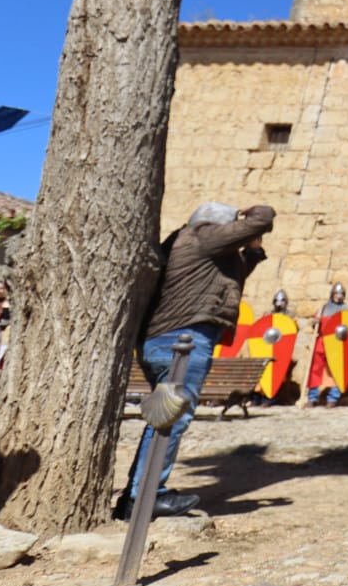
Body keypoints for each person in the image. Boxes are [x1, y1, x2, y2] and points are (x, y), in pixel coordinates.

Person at [115, 201, 274, 519]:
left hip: (170, 339)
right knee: (173, 417)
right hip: (181, 339)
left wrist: (252, 252)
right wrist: (251, 212)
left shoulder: (196, 248)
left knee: (166, 415)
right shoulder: (202, 236)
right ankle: (143, 497)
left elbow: (229, 280)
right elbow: (261, 219)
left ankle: (137, 494)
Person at [306, 282, 348, 406]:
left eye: (341, 293)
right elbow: (314, 325)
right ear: (332, 294)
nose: (339, 296)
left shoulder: (347, 309)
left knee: (336, 370)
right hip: (321, 342)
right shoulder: (323, 308)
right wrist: (315, 322)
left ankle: (333, 398)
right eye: (337, 293)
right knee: (315, 370)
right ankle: (312, 397)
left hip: (337, 344)